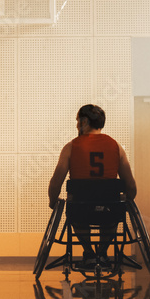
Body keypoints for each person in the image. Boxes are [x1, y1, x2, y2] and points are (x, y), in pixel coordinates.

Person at [48, 104, 137, 266]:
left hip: (80, 210)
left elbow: (56, 182)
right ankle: (102, 253)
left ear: (84, 121)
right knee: (112, 209)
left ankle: (89, 253)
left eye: (77, 121)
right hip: (110, 210)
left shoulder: (71, 147)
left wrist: (52, 201)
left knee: (76, 206)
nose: (76, 125)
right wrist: (127, 201)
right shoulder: (116, 147)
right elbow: (131, 185)